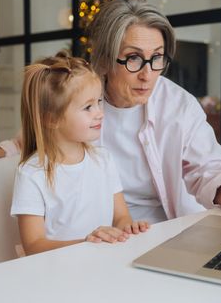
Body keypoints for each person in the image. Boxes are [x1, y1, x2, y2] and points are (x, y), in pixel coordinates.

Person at [0, 0, 221, 223]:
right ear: (106, 60)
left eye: (157, 59)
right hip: (99, 235)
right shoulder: (80, 99)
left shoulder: (178, 105)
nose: (147, 75)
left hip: (165, 231)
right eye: (133, 60)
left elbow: (209, 171)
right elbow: (32, 142)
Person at [12, 52, 148, 255]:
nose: (100, 112)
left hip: (99, 264)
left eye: (99, 102)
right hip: (54, 274)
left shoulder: (103, 159)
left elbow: (121, 217)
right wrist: (86, 243)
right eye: (88, 107)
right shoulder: (31, 173)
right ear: (52, 119)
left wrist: (128, 227)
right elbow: (34, 246)